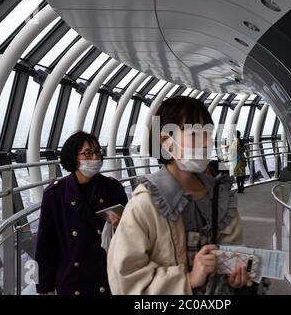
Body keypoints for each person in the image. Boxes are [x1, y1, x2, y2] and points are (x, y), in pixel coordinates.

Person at [107, 96, 251, 294]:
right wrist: (188, 280)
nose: (205, 142)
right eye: (194, 134)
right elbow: (125, 278)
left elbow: (233, 255)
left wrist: (235, 280)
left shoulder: (221, 197)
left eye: (208, 133)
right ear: (166, 141)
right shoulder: (145, 203)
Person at [35, 131, 128, 295]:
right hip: (72, 280)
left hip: (108, 278)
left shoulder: (113, 189)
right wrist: (43, 288)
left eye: (98, 152)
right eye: (88, 153)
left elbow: (131, 234)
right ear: (73, 157)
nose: (95, 158)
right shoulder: (55, 195)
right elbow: (45, 246)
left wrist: (121, 226)